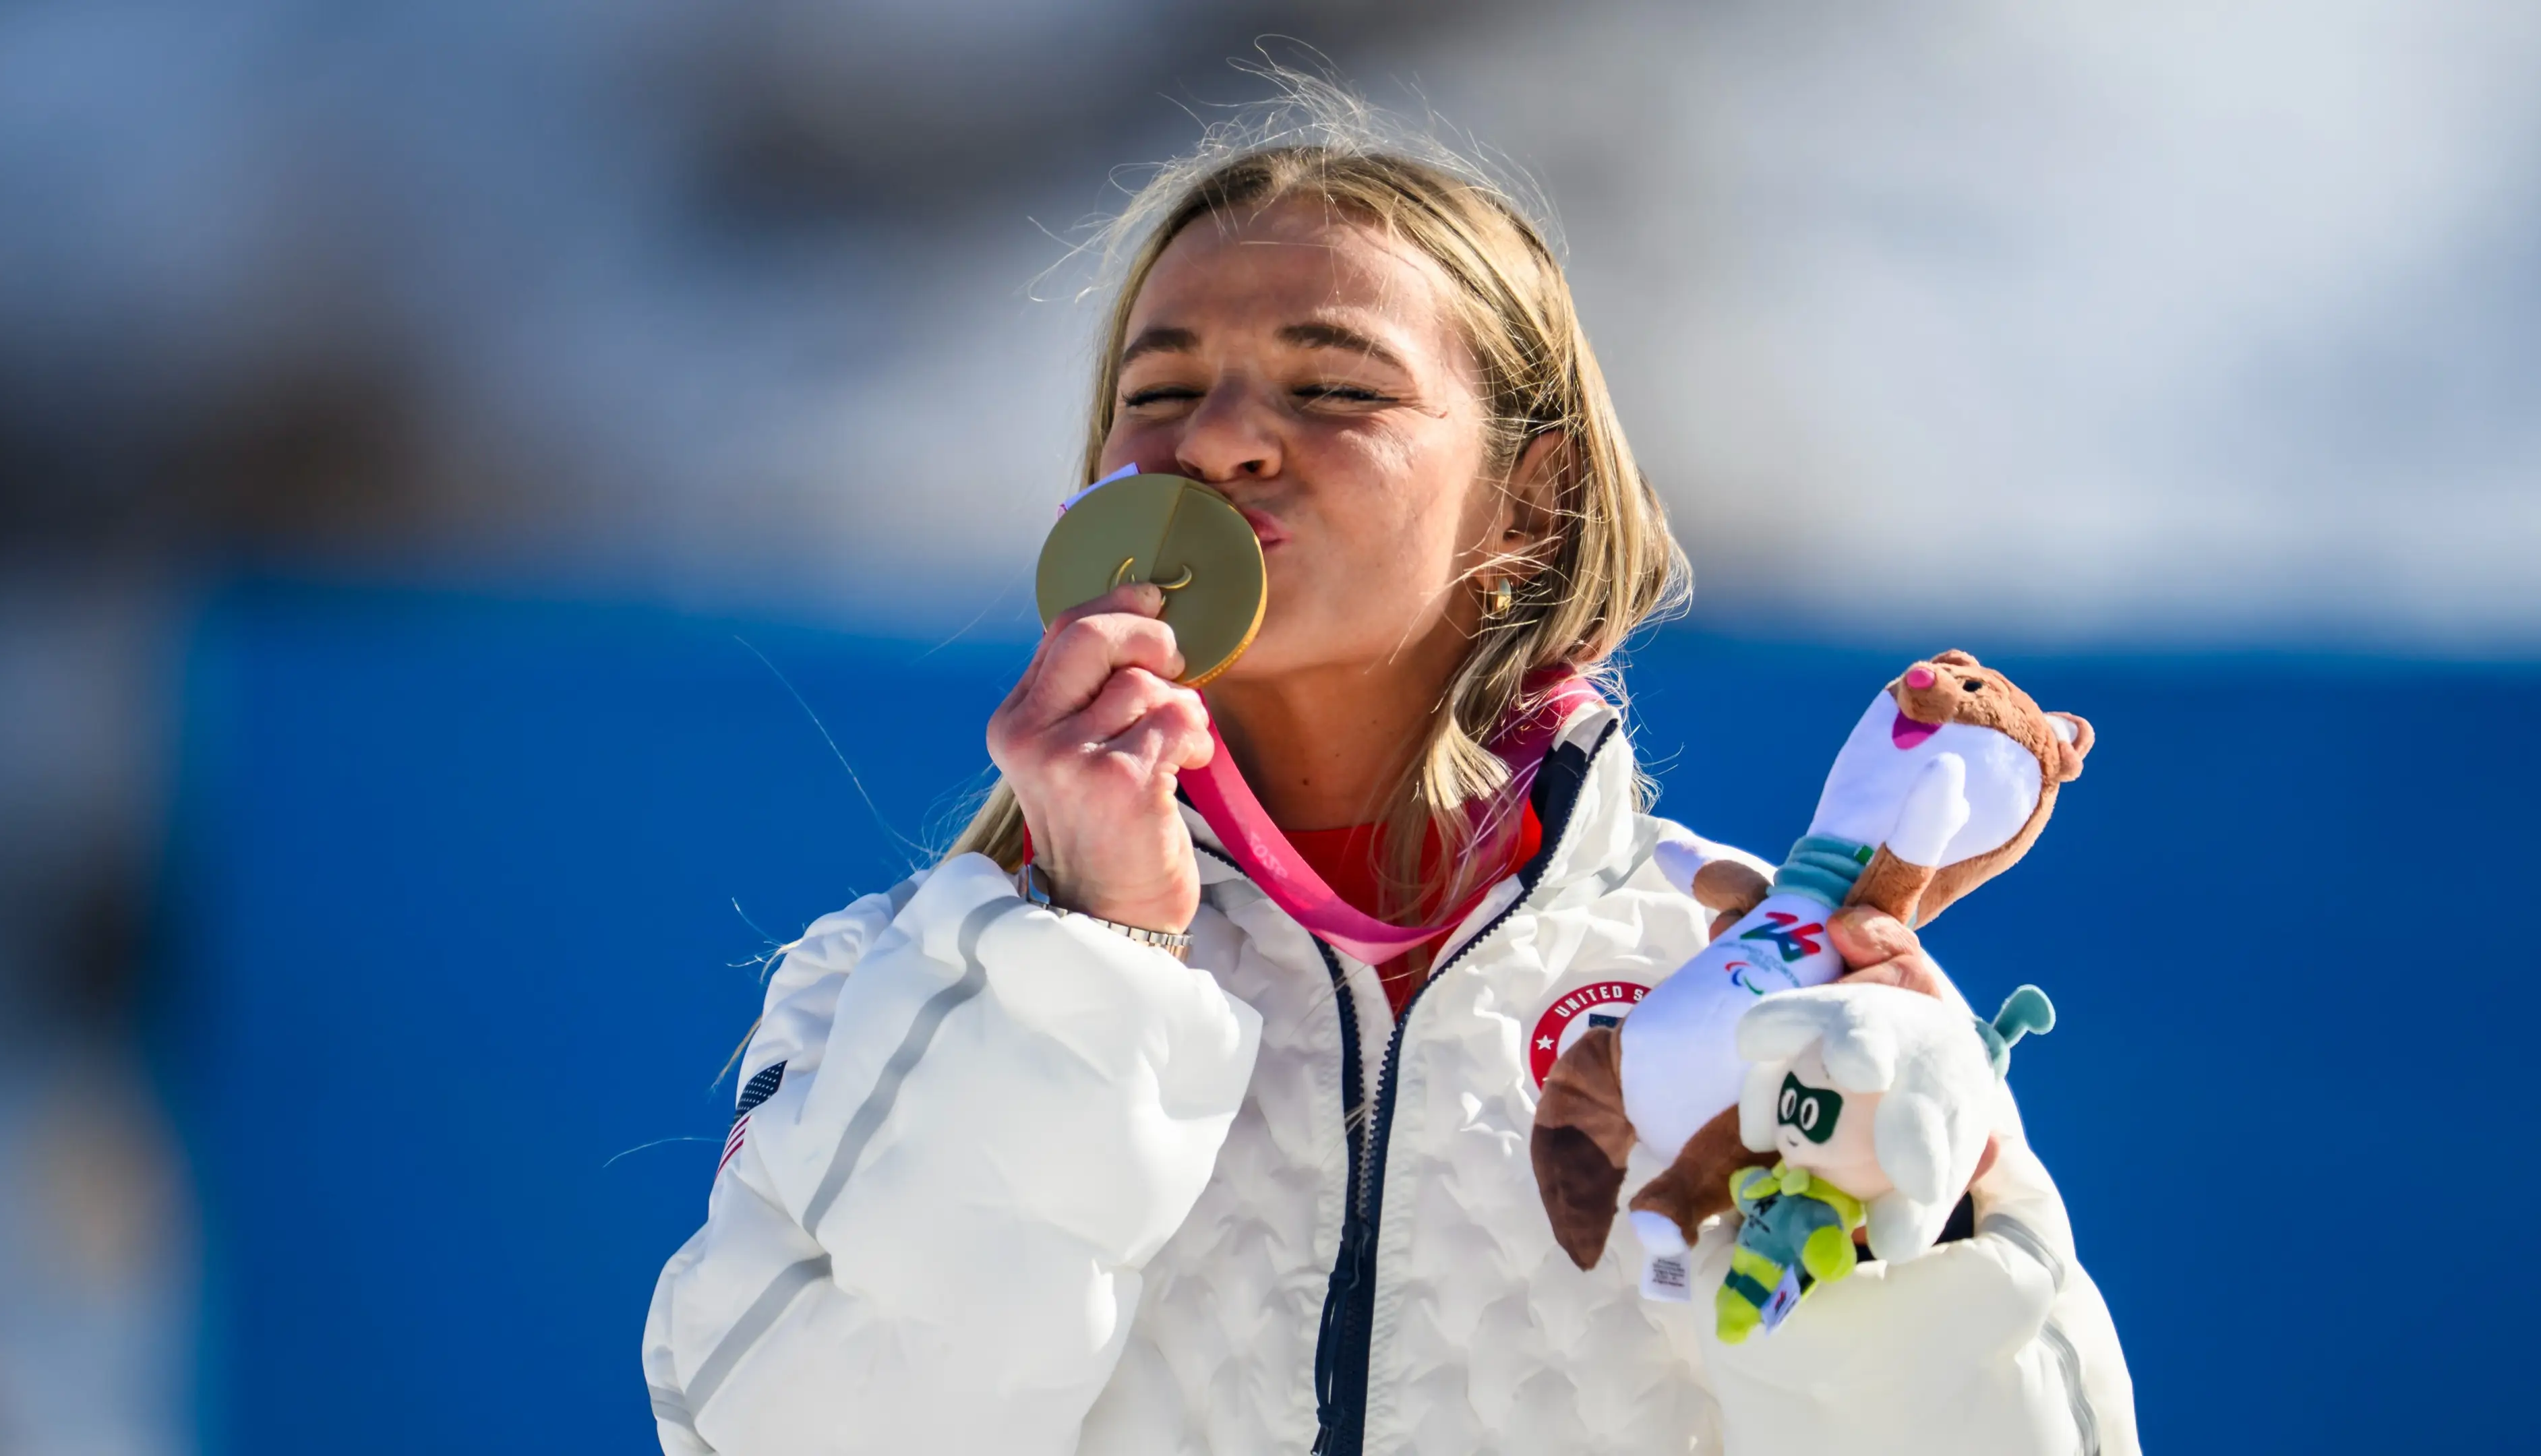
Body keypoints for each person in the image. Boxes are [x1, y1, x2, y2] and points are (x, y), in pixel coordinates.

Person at [642, 98, 2135, 1456]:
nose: (1221, 441)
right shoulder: (902, 985)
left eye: (1333, 387)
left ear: (1529, 495)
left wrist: (1889, 1239)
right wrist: (1089, 966)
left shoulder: (1742, 989)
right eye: (1161, 392)